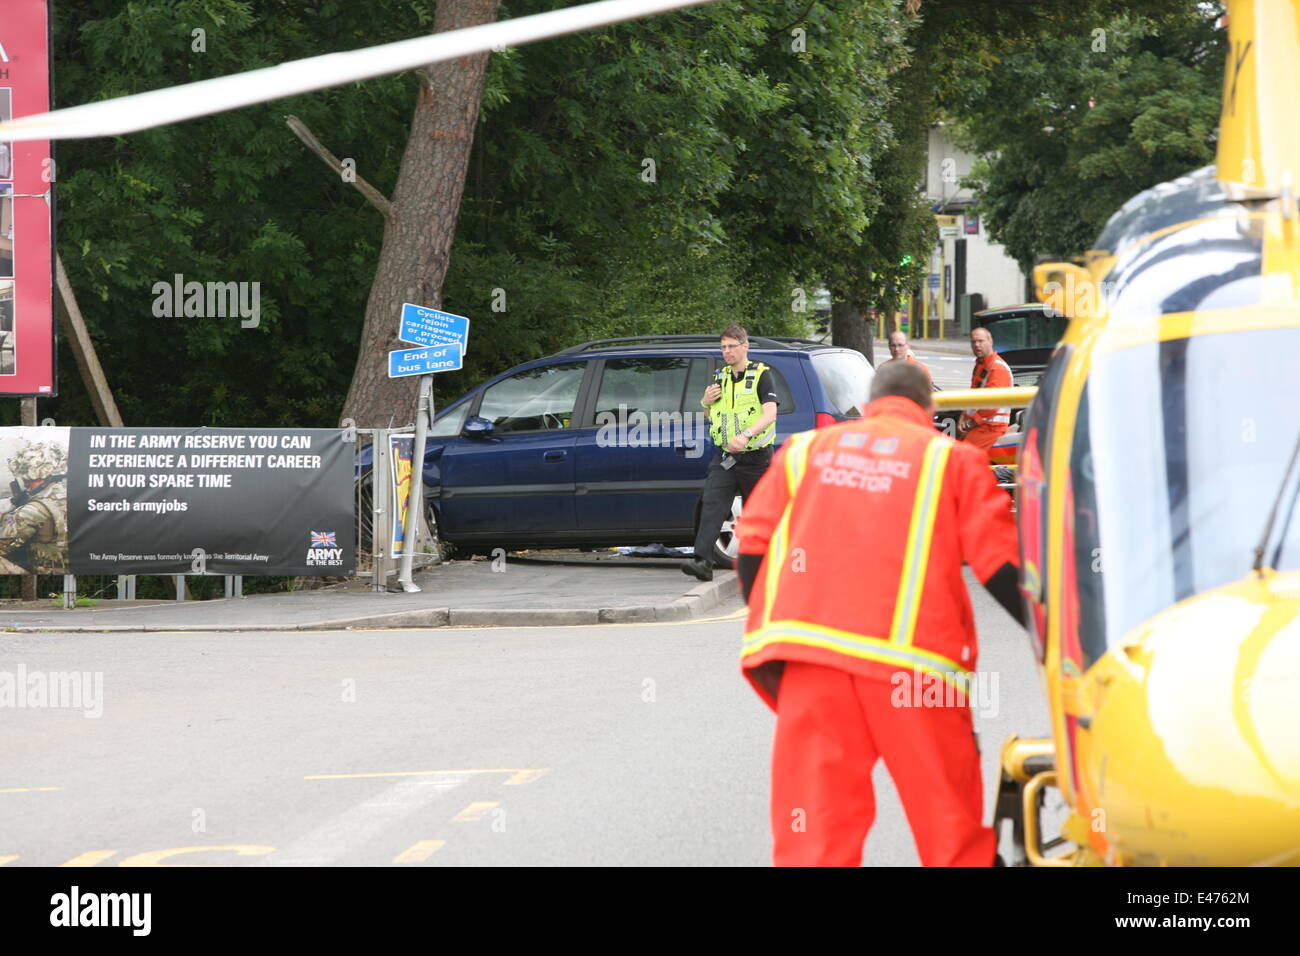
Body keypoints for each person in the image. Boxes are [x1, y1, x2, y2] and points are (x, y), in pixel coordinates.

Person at [734, 361, 1024, 866]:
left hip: (811, 666)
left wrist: (776, 634)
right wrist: (1061, 638)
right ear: (929, 411)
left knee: (814, 840)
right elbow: (1000, 566)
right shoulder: (948, 460)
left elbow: (752, 551)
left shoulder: (803, 453)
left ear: (869, 406)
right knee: (950, 834)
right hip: (913, 670)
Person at [681, 324, 778, 582]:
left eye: (731, 346)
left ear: (745, 347)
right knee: (711, 503)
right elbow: (711, 415)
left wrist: (745, 435)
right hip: (726, 457)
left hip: (756, 457)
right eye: (723, 347)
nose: (726, 351)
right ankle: (702, 561)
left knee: (759, 514)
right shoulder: (720, 376)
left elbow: (770, 414)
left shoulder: (761, 375)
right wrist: (705, 403)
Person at [0, 441, 69, 574]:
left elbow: (3, 544)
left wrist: (4, 516)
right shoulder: (71, 497)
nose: (26, 486)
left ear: (47, 478)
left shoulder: (34, 510)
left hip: (44, 573)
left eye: (29, 481)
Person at [957, 326, 1012, 454]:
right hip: (981, 426)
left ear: (990, 341)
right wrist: (963, 417)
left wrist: (970, 422)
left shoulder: (997, 368)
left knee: (963, 457)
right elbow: (973, 395)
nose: (976, 345)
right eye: (973, 342)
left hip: (990, 428)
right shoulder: (981, 365)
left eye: (980, 341)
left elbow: (992, 403)